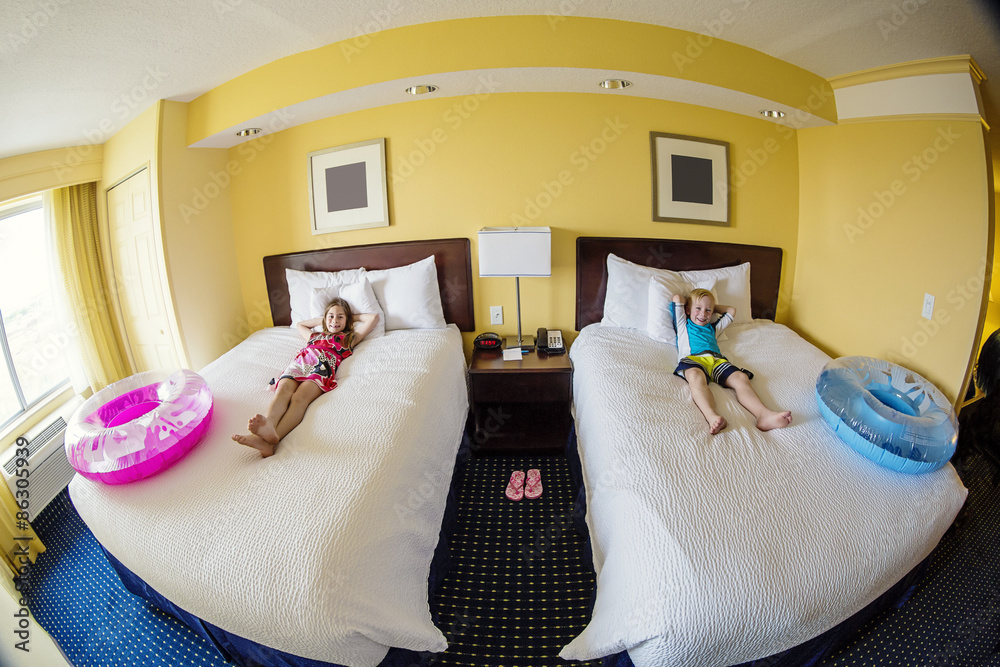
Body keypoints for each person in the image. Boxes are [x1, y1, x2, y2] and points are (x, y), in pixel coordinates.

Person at [232, 298, 379, 457]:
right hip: (300, 363)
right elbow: (300, 324)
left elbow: (373, 318)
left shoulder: (348, 338)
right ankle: (269, 425)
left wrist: (351, 317)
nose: (334, 320)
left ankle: (272, 439)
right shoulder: (314, 336)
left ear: (347, 320)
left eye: (340, 317)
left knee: (299, 398)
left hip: (322, 367)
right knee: (283, 390)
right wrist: (324, 319)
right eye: (330, 316)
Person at [671, 289, 792, 435]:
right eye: (698, 309)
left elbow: (731, 310)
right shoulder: (684, 325)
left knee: (741, 378)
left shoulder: (714, 328)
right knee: (696, 378)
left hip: (716, 360)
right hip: (693, 359)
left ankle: (764, 415)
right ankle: (711, 416)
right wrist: (695, 301)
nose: (703, 314)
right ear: (688, 310)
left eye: (708, 310)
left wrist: (709, 305)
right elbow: (677, 298)